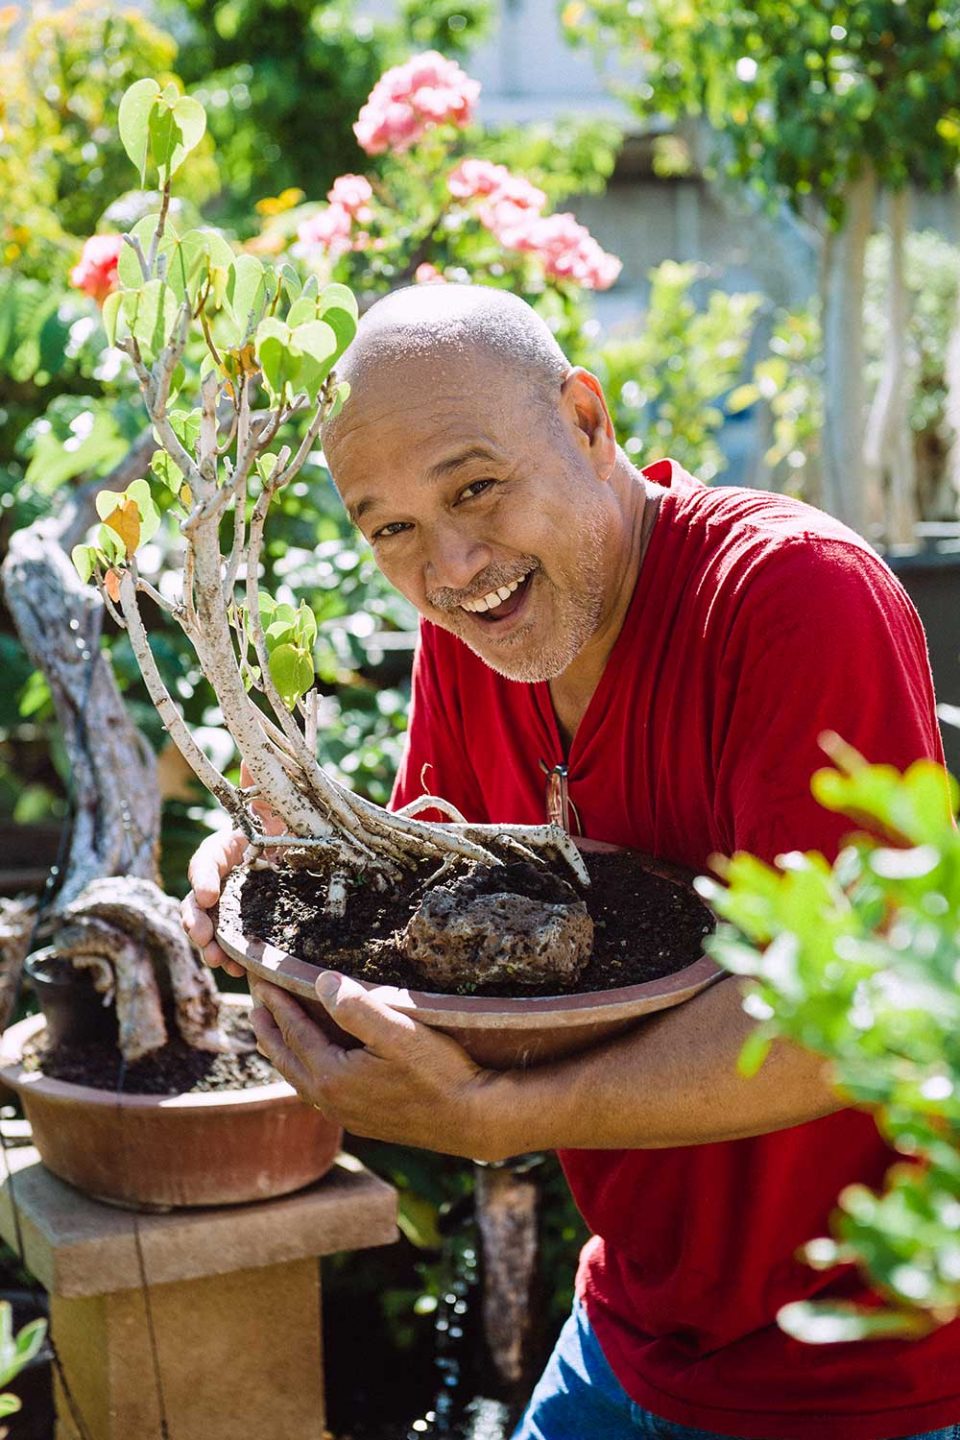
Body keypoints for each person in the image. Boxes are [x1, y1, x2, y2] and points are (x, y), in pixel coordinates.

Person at [182, 285, 960, 1440]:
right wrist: (279, 873)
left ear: (587, 423)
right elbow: (431, 920)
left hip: (862, 1375)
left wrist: (511, 1114)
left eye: (476, 487)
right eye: (388, 527)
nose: (448, 568)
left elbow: (839, 1024)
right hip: (630, 1328)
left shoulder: (792, 595)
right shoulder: (478, 644)